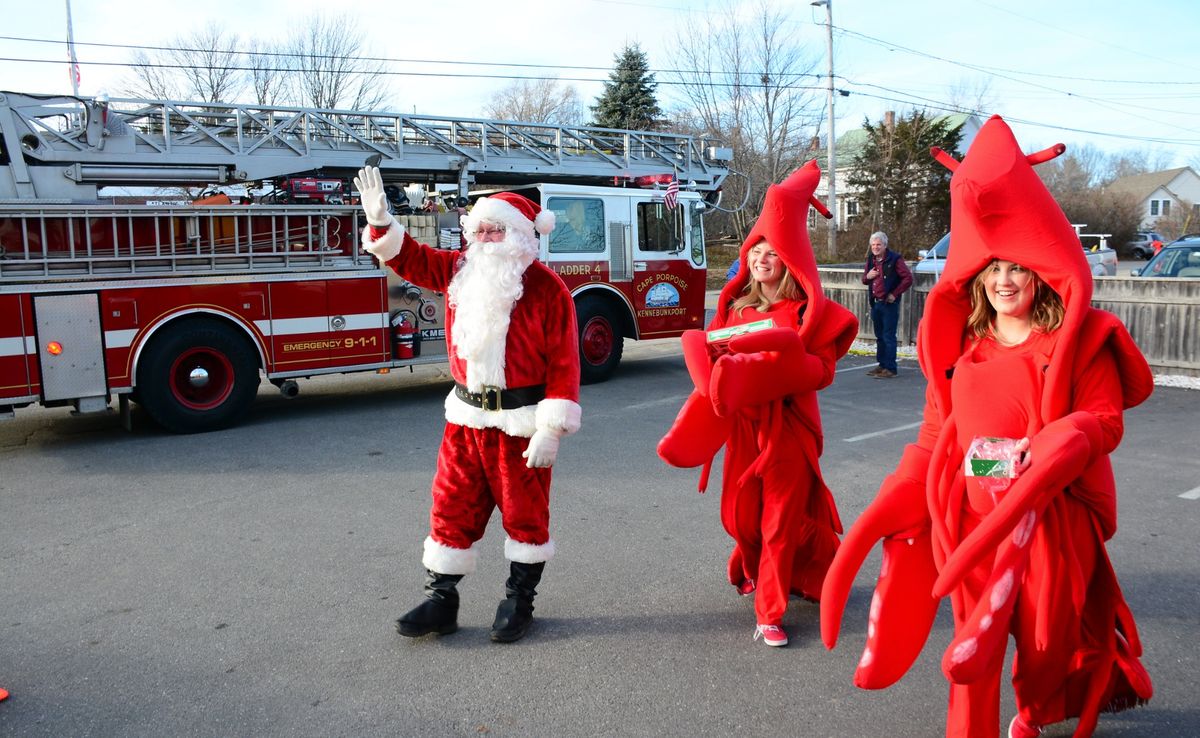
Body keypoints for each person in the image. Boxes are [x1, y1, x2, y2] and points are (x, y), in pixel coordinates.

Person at [820, 116, 1153, 737]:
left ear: (1041, 273)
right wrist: (896, 500)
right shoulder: (962, 348)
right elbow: (932, 435)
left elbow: (1104, 421)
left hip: (1053, 524)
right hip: (970, 522)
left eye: (1017, 268)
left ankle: (1036, 710)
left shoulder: (1084, 342)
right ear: (975, 276)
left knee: (1048, 638)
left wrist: (1058, 442)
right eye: (992, 268)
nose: (1003, 280)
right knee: (971, 660)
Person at [355, 166, 582, 644]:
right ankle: (442, 599)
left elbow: (565, 361)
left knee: (525, 514)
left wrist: (551, 426)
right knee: (451, 506)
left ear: (519, 235)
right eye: (477, 230)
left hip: (521, 424)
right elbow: (410, 259)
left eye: (494, 230)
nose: (483, 238)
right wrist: (381, 220)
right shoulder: (459, 270)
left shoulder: (546, 289)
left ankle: (519, 600)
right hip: (465, 418)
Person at [658, 161, 858, 647]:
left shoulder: (813, 312)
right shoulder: (732, 307)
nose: (762, 258)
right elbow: (712, 361)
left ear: (790, 258)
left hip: (789, 430)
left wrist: (793, 369)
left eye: (773, 251)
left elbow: (823, 370)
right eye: (756, 250)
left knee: (779, 521)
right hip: (744, 427)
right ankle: (757, 567)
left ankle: (770, 610)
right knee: (740, 516)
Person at [861, 231, 913, 378]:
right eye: (873, 245)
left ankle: (890, 368)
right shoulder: (871, 259)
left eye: (878, 244)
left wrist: (894, 294)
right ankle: (882, 365)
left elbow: (908, 278)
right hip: (875, 303)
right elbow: (864, 280)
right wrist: (868, 276)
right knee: (879, 336)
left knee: (888, 336)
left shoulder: (895, 259)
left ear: (885, 245)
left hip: (889, 304)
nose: (875, 247)